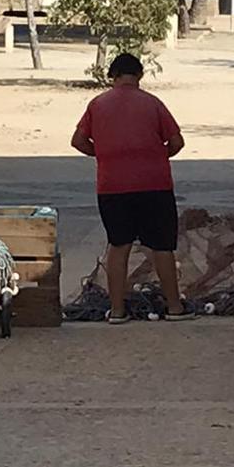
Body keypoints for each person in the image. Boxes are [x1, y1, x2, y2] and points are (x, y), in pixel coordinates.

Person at [71, 52, 192, 323]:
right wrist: (155, 156)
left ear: (112, 76)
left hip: (112, 186)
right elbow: (176, 142)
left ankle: (116, 311)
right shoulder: (153, 103)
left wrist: (102, 153)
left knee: (119, 245)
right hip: (154, 184)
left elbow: (78, 140)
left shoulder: (97, 104)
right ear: (139, 76)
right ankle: (174, 308)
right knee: (161, 246)